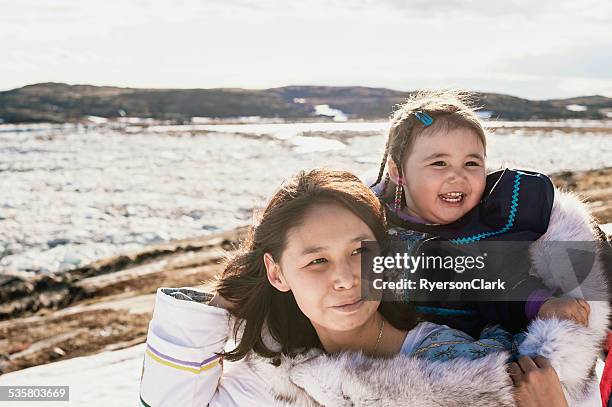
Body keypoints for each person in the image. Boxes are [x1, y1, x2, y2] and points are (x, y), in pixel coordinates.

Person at [139, 169, 595, 406]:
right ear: (277, 274)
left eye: (360, 251)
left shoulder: (453, 366)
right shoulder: (278, 377)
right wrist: (222, 301)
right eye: (317, 260)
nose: (345, 277)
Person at [368, 89, 597, 336]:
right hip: (386, 350)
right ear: (397, 171)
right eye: (439, 163)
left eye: (471, 163)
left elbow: (506, 284)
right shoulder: (370, 221)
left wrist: (543, 304)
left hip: (467, 352)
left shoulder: (486, 228)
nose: (457, 175)